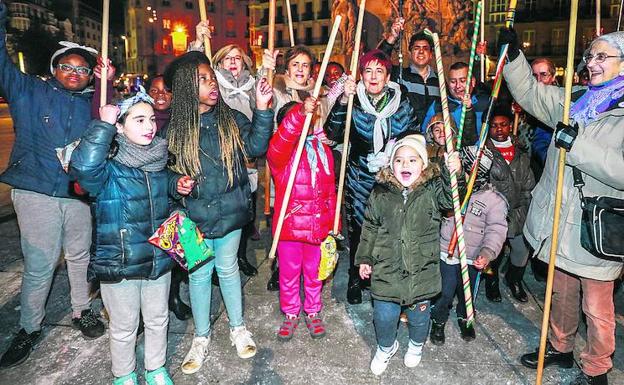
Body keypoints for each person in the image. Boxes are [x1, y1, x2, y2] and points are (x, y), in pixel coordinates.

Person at [500, 27, 624, 385]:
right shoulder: (574, 98)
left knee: (598, 309)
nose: (593, 62)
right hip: (560, 220)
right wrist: (512, 58)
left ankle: (597, 366)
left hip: (596, 227)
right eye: (591, 56)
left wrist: (579, 148)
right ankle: (561, 347)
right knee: (561, 292)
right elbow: (529, 92)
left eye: (603, 56)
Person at [0, 3, 107, 368]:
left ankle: (82, 310)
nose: (75, 73)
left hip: (77, 194)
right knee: (40, 262)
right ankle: (29, 327)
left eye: (83, 68)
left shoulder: (94, 103)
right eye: (67, 66)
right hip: (34, 191)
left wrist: (105, 86)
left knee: (80, 256)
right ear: (54, 69)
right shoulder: (27, 91)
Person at [163, 51, 274, 374]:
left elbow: (255, 147)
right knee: (198, 275)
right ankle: (201, 336)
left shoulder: (230, 118)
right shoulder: (174, 129)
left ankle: (237, 327)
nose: (212, 84)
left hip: (229, 213)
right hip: (192, 217)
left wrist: (263, 110)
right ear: (186, 88)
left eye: (212, 78)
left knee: (227, 270)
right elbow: (161, 171)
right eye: (204, 80)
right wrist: (175, 183)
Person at [70, 90, 176, 385]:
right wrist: (102, 125)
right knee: (124, 324)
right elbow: (83, 168)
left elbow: (163, 201)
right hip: (120, 260)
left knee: (157, 319)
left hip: (157, 257)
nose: (149, 126)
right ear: (120, 125)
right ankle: (124, 374)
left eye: (152, 119)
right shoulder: (107, 167)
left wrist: (176, 189)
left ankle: (156, 368)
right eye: (139, 119)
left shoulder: (158, 160)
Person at [355, 134, 461, 375]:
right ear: (391, 166)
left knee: (419, 318)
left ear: (423, 165)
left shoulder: (431, 191)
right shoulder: (381, 192)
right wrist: (364, 257)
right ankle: (385, 346)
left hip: (420, 270)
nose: (405, 165)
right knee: (383, 316)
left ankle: (415, 345)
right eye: (399, 160)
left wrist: (453, 173)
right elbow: (370, 226)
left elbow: (450, 199)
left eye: (413, 160)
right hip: (386, 267)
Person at [326, 49, 419, 304]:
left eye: (379, 71)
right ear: (361, 75)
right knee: (360, 229)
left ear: (388, 76)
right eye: (368, 71)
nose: (373, 76)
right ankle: (356, 277)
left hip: (393, 175)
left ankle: (384, 277)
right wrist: (343, 101)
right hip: (359, 175)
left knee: (390, 228)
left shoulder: (402, 102)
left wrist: (394, 153)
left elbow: (414, 134)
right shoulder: (353, 101)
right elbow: (332, 132)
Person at [268, 98, 337, 340]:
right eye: (298, 119)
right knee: (288, 273)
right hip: (290, 227)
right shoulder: (281, 153)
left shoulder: (322, 149)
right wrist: (298, 113)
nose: (304, 123)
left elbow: (330, 189)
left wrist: (332, 223)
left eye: (308, 118)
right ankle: (290, 312)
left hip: (317, 227)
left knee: (315, 272)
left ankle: (313, 309)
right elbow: (284, 138)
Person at [430, 145, 508, 345]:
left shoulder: (493, 200)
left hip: (473, 257)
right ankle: (438, 319)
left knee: (467, 293)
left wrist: (487, 253)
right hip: (446, 252)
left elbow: (496, 229)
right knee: (444, 291)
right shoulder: (452, 190)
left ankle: (465, 317)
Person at [484, 107, 535, 303]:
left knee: (521, 250)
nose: (499, 129)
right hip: (494, 211)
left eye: (503, 124)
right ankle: (492, 281)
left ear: (510, 126)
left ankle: (514, 279)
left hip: (517, 210)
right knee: (493, 251)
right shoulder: (485, 152)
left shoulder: (520, 151)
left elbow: (528, 183)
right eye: (495, 125)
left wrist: (525, 207)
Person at [379, 21, 440, 123]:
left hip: (433, 135)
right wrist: (392, 37)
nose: (421, 51)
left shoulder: (439, 81)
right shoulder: (399, 75)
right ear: (410, 53)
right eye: (416, 48)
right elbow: (379, 61)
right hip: (407, 135)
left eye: (425, 48)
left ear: (431, 55)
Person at [421, 61, 487, 144]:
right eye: (453, 81)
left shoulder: (485, 103)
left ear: (473, 82)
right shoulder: (438, 106)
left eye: (462, 81)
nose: (458, 86)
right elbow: (425, 135)